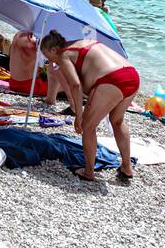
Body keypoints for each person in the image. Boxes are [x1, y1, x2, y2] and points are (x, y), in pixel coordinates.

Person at [38, 31, 139, 183]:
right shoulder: (83, 41)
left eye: (48, 57)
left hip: (111, 79)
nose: (50, 61)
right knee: (117, 120)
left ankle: (88, 172)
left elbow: (75, 85)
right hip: (132, 75)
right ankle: (126, 167)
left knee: (88, 126)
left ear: (53, 50)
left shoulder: (64, 55)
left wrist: (79, 115)